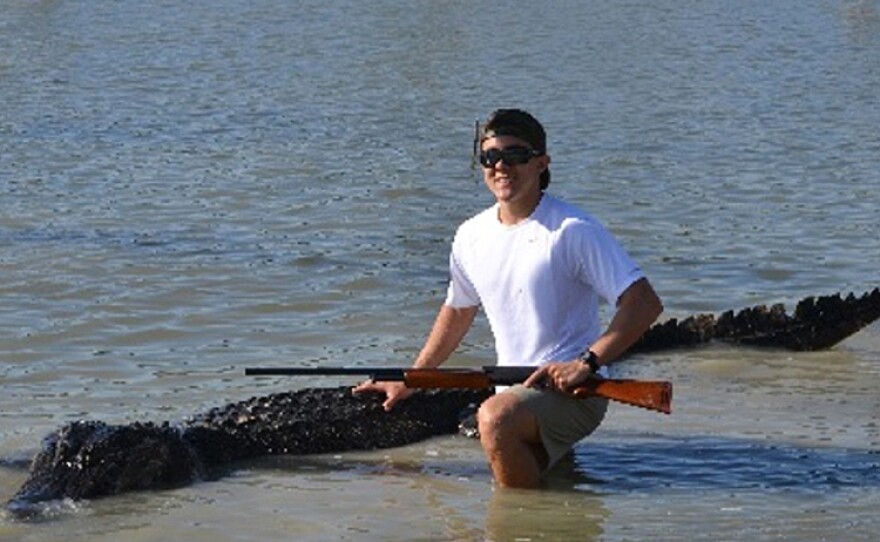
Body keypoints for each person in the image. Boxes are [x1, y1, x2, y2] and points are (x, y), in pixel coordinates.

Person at [354, 109, 663, 489]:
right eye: (490, 157)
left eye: (515, 155)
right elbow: (457, 311)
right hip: (516, 391)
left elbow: (645, 302)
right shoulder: (470, 235)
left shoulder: (573, 230)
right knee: (543, 471)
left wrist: (586, 362)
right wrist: (413, 378)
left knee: (494, 418)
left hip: (575, 391)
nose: (501, 166)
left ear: (541, 163)